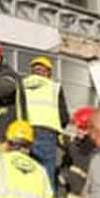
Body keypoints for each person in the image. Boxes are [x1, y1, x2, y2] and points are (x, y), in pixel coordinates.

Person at [21, 56, 69, 187]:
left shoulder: (22, 85)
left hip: (25, 132)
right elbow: (64, 116)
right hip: (47, 133)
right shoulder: (54, 87)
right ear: (48, 72)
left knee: (26, 171)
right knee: (47, 173)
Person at [59, 106, 95, 198]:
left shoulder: (86, 148)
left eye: (81, 128)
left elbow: (77, 156)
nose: (78, 131)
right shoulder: (81, 145)